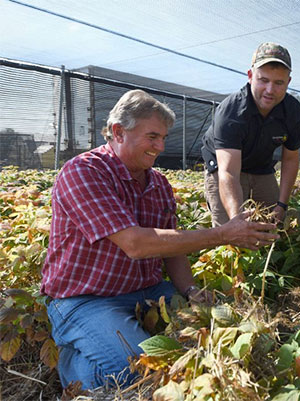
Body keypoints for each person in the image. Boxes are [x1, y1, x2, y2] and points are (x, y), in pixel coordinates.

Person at [41, 89, 278, 390]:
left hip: (149, 291)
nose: (160, 146)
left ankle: (102, 344)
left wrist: (190, 289)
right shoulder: (84, 172)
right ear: (118, 132)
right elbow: (135, 244)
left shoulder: (159, 184)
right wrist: (221, 234)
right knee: (138, 373)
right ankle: (71, 362)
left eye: (163, 138)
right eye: (152, 137)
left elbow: (173, 249)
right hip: (86, 300)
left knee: (215, 337)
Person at [201, 42, 300, 226]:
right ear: (250, 76)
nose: (270, 90)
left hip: (261, 166)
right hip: (224, 167)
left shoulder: (292, 111)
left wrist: (282, 204)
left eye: (278, 83)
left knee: (271, 225)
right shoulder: (231, 111)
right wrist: (236, 219)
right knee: (228, 230)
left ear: (288, 82)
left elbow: (290, 159)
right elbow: (229, 172)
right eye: (263, 80)